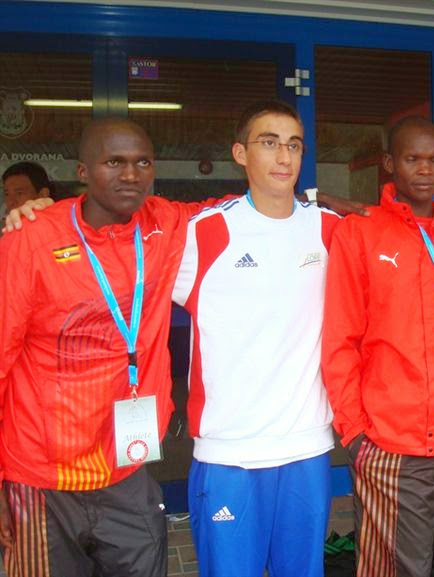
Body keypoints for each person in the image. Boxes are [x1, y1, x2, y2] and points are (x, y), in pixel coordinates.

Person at [0, 115, 367, 577]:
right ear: (82, 171)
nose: (129, 174)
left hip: (132, 466)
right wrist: (33, 212)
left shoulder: (172, 226)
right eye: (114, 162)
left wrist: (320, 198)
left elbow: (375, 226)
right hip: (49, 468)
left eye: (141, 163)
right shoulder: (36, 239)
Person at [322, 116, 434, 577]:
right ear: (388, 164)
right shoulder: (359, 233)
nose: (425, 169)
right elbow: (340, 339)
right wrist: (356, 433)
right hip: (392, 440)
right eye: (412, 158)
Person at [171, 100, 338, 577]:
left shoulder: (328, 229)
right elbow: (117, 246)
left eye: (293, 145)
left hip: (306, 447)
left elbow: (402, 238)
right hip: (230, 454)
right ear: (240, 153)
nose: (283, 157)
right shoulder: (204, 233)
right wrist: (37, 213)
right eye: (269, 143)